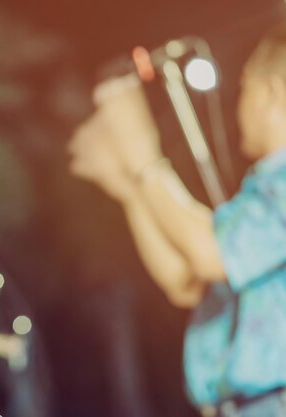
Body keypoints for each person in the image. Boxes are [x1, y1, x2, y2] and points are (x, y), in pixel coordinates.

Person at [69, 25, 286, 417]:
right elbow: (184, 281)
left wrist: (143, 154)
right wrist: (127, 184)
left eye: (247, 87)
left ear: (271, 93)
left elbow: (209, 253)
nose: (240, 101)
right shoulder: (262, 196)